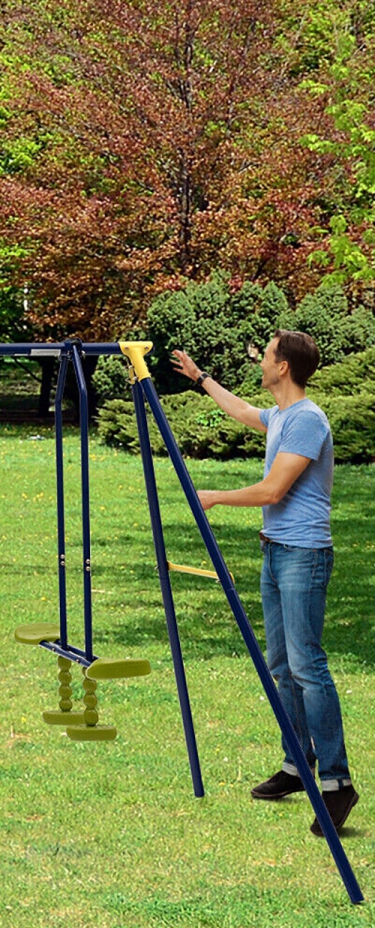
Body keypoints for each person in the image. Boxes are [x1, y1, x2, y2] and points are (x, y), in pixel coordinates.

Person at [172, 330, 358, 836]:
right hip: (275, 552)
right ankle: (298, 766)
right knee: (282, 664)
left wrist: (213, 496)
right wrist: (201, 378)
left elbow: (274, 489)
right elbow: (241, 412)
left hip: (303, 555)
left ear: (284, 368)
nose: (262, 359)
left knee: (306, 664)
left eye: (268, 354)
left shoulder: (307, 421)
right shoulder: (280, 416)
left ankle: (338, 783)